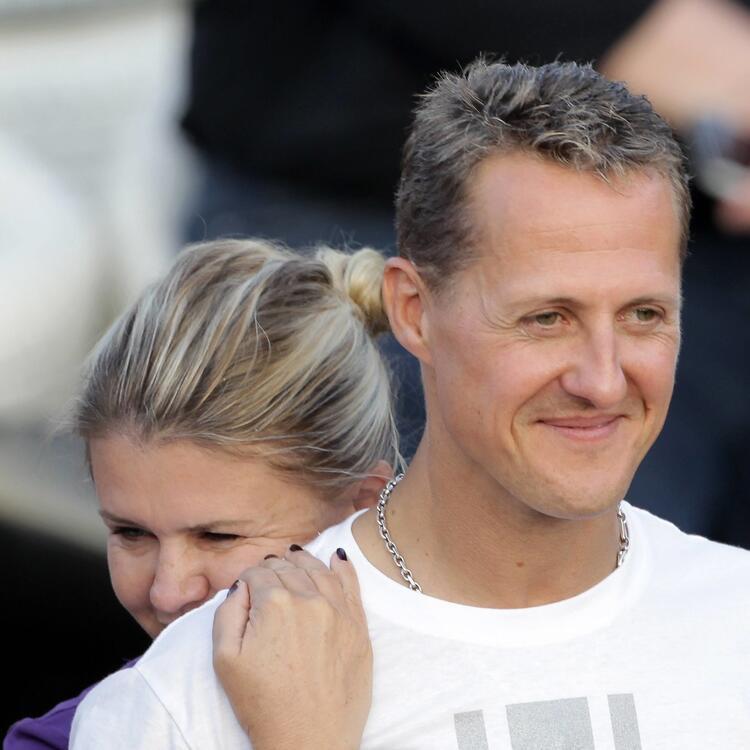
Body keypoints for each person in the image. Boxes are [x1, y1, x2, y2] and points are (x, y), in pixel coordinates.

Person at [70, 60, 750, 749]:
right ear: (414, 312)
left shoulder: (735, 621)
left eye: (643, 315)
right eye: (547, 318)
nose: (603, 381)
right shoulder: (182, 699)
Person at [4, 238, 399, 749]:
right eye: (130, 533)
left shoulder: (486, 679)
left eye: (218, 537)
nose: (167, 592)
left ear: (362, 507)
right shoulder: (68, 740)